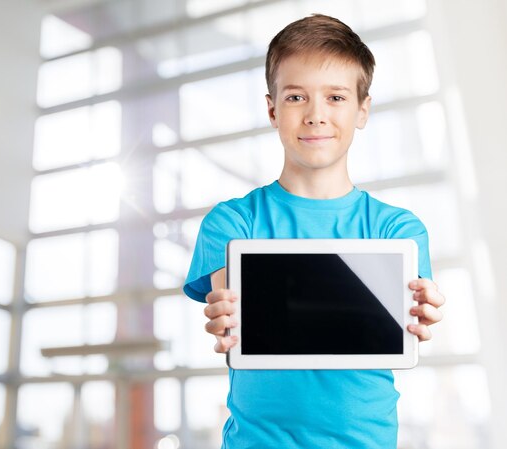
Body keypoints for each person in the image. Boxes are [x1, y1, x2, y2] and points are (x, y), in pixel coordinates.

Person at [183, 14, 446, 449]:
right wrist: (227, 319)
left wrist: (421, 311)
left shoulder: (397, 229)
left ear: (362, 110)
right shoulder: (232, 223)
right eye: (296, 97)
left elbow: (401, 322)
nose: (316, 115)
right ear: (272, 109)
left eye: (337, 97)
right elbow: (240, 327)